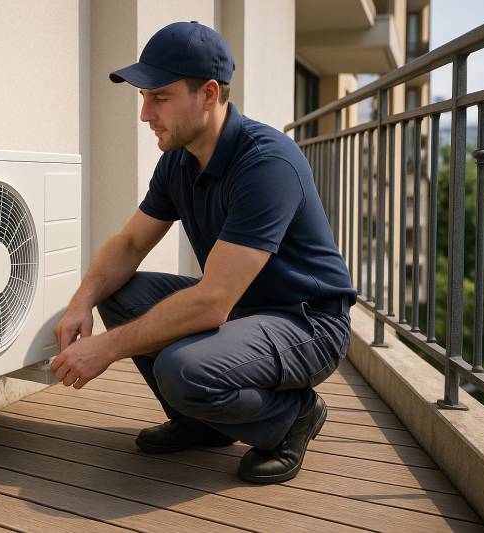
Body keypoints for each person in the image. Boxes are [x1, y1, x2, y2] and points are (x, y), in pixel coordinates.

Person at [50, 20, 356, 484]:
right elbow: (131, 243)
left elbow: (213, 301)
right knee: (119, 294)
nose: (145, 114)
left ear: (209, 94)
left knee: (184, 370)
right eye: (143, 98)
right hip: (244, 309)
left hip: (307, 320)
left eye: (160, 97)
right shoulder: (179, 158)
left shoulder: (266, 162)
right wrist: (82, 301)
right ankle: (204, 422)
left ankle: (293, 416)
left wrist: (105, 349)